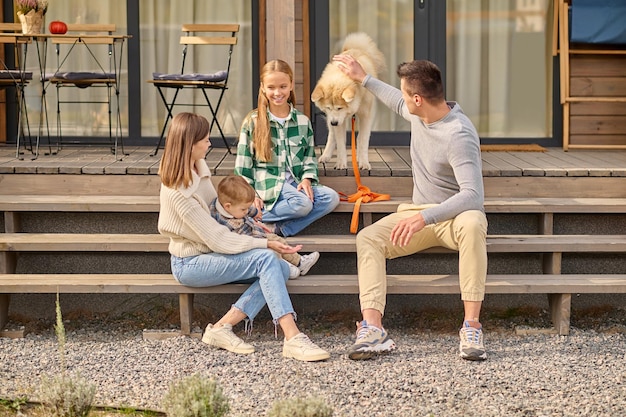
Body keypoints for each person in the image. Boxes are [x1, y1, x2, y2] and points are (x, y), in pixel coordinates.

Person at [333, 56, 488, 361]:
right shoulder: (420, 112)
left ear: (419, 99)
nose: (403, 100)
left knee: (473, 224)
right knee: (368, 238)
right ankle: (373, 328)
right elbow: (395, 100)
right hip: (418, 213)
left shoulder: (458, 133)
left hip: (453, 217)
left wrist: (424, 216)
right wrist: (363, 78)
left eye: (407, 94)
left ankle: (471, 327)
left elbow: (472, 195)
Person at [157, 112, 330, 362]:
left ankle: (221, 327)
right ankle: (292, 336)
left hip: (210, 252)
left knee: (278, 268)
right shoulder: (179, 192)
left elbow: (219, 212)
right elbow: (218, 239)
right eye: (205, 140)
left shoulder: (198, 169)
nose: (209, 144)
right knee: (267, 259)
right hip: (191, 262)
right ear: (189, 144)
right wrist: (266, 242)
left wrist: (248, 218)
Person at [235, 59, 340, 237]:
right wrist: (250, 196)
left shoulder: (302, 122)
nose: (277, 92)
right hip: (267, 185)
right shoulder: (252, 122)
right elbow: (243, 167)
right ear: (262, 87)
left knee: (331, 198)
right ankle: (246, 217)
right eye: (271, 87)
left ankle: (276, 228)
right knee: (303, 204)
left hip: (295, 185)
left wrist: (307, 179)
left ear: (291, 85)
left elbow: (309, 158)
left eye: (283, 86)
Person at [210, 174, 320, 279]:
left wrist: (255, 213)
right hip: (249, 243)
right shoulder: (226, 223)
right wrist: (263, 241)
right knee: (271, 251)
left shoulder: (234, 207)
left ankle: (300, 262)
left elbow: (246, 209)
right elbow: (244, 239)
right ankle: (284, 266)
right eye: (244, 209)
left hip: (255, 232)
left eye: (248, 208)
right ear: (227, 207)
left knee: (277, 240)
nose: (246, 211)